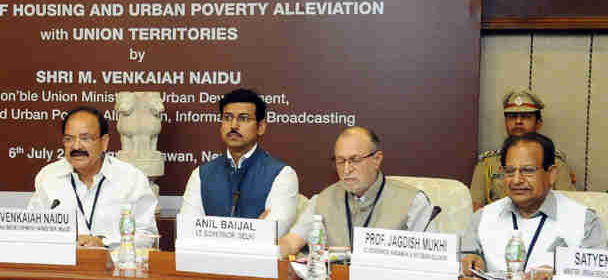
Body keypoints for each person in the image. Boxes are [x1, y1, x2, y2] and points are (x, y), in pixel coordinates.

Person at [461, 133, 606, 277]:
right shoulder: (482, 217)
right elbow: (466, 259)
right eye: (510, 171)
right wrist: (472, 264)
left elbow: (597, 275)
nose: (517, 180)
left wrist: (559, 276)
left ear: (551, 174)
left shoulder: (585, 222)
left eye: (528, 171)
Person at [278, 126, 436, 257]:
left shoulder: (412, 202)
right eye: (340, 161)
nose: (346, 170)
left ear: (377, 159)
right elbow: (291, 242)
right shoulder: (323, 200)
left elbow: (432, 259)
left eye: (355, 160)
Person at [27, 106, 158, 247]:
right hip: (64, 265)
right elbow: (32, 229)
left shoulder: (131, 179)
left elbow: (147, 235)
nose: (76, 146)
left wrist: (104, 244)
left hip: (116, 265)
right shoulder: (49, 177)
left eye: (85, 138)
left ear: (104, 142)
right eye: (69, 139)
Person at [179, 88, 298, 238]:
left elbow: (271, 236)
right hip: (210, 261)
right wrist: (255, 229)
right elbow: (188, 233)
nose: (234, 125)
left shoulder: (282, 175)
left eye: (243, 118)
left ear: (261, 127)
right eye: (228, 118)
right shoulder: (201, 175)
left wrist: (211, 233)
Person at [471, 90, 575, 210]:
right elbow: (476, 208)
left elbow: (567, 207)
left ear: (538, 124)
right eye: (512, 117)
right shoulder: (486, 164)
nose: (518, 122)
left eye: (526, 117)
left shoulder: (555, 163)